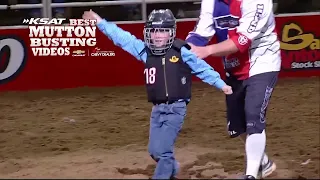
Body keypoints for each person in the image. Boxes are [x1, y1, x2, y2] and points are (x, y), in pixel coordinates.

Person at [82, 8, 232, 179]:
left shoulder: (181, 51)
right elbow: (122, 38)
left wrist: (221, 85)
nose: (158, 35)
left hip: (176, 109)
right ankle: (173, 169)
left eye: (163, 31)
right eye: (154, 31)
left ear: (171, 33)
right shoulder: (145, 52)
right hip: (157, 110)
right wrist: (101, 22)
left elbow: (202, 69)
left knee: (163, 151)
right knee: (154, 151)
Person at [186, 0, 280, 179]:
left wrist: (206, 51)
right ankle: (264, 163)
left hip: (263, 61)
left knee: (253, 116)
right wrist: (185, 48)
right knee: (237, 126)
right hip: (233, 67)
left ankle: (251, 175)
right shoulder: (211, 2)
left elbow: (242, 41)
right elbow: (201, 32)